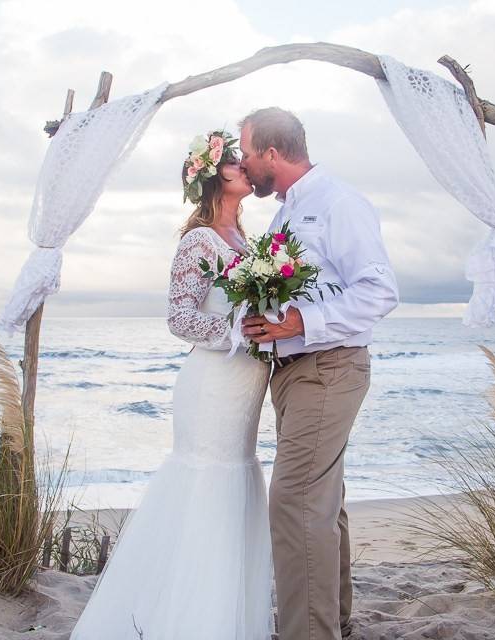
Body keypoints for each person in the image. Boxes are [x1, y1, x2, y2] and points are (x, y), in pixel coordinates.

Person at [69, 130, 275, 639]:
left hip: (246, 384)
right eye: (232, 162)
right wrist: (235, 332)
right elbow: (179, 317)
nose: (243, 166)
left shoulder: (247, 243)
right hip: (212, 384)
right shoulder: (198, 241)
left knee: (237, 480)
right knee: (206, 482)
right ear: (211, 179)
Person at [239, 107, 400, 640]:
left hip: (329, 367)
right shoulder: (285, 213)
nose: (243, 163)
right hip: (293, 372)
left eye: (246, 152)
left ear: (272, 153)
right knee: (320, 498)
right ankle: (338, 621)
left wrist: (299, 321)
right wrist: (265, 323)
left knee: (295, 500)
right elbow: (302, 290)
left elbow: (379, 290)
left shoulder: (339, 203)